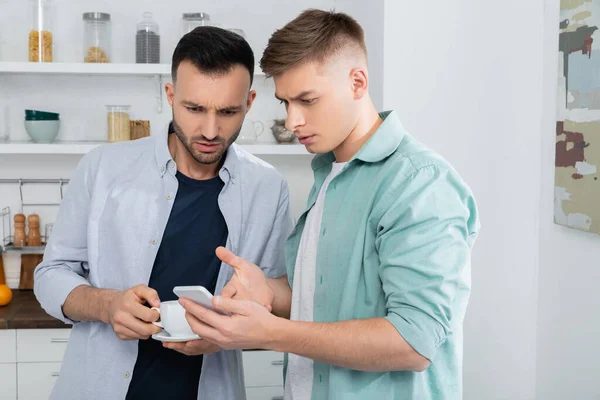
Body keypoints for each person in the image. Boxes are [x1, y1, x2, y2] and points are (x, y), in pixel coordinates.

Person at [178, 9, 480, 400]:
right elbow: (326, 298)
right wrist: (268, 292)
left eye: (307, 100)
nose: (293, 120)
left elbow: (414, 342)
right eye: (286, 102)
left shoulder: (419, 183)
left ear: (357, 82)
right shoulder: (330, 173)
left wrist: (271, 332)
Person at [34, 26, 293, 400]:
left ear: (250, 102)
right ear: (170, 95)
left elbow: (277, 296)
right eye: (194, 108)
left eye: (228, 111)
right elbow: (51, 274)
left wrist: (225, 335)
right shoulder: (103, 168)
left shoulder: (268, 188)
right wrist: (108, 305)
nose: (209, 129)